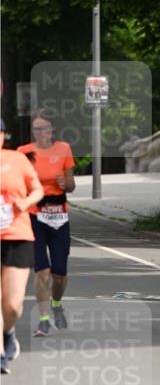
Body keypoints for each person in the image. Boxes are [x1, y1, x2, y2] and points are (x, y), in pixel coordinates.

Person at [18, 115, 76, 335]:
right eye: (36, 129)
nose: (40, 133)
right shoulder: (24, 152)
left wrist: (65, 183)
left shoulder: (63, 149)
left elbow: (71, 185)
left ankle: (56, 304)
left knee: (59, 273)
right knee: (42, 271)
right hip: (34, 217)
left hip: (59, 217)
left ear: (52, 129)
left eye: (44, 128)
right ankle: (43, 320)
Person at [1, 117, 44, 374]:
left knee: (12, 305)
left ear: (4, 135)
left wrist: (26, 202)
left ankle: (8, 332)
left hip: (17, 234)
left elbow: (37, 189)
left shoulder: (17, 160)